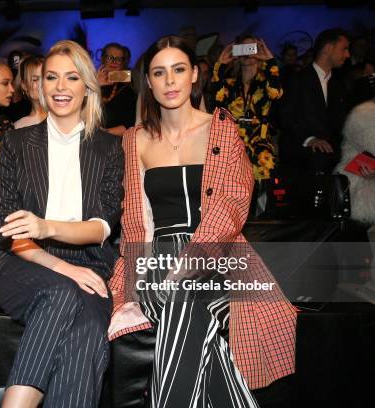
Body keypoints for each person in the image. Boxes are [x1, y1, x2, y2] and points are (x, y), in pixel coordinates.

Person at [108, 35, 297, 407]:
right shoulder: (136, 140)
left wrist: (191, 262)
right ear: (148, 81)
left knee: (184, 292)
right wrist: (131, 277)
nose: (170, 81)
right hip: (156, 261)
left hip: (218, 256)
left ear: (195, 74)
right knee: (182, 297)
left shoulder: (221, 129)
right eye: (159, 73)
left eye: (179, 70)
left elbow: (230, 206)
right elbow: (134, 219)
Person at [0, 40, 124, 407]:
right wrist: (59, 264)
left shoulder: (109, 148)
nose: (61, 87)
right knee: (61, 291)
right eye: (52, 77)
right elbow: (4, 223)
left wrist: (47, 226)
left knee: (89, 332)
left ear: (87, 87)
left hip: (90, 264)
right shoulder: (16, 142)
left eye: (72, 78)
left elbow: (102, 226)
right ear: (40, 85)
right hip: (24, 260)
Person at [211, 35, 282, 182]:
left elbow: (275, 93)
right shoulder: (230, 84)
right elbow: (217, 100)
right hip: (232, 147)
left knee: (261, 198)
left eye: (252, 49)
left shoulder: (266, 84)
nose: (248, 54)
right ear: (237, 53)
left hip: (261, 148)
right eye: (243, 49)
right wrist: (220, 65)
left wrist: (269, 60)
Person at [280, 28, 351, 175]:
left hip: (333, 159)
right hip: (301, 158)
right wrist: (310, 139)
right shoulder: (296, 79)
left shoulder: (339, 85)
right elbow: (284, 117)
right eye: (344, 49)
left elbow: (341, 124)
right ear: (328, 49)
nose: (347, 54)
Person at [97, 42, 137, 136]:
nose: (114, 62)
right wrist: (95, 85)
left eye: (118, 59)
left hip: (114, 142)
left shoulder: (127, 88)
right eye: (110, 58)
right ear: (102, 58)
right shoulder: (89, 81)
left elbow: (129, 124)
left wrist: (101, 134)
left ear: (123, 62)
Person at [13, 55, 47, 128]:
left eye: (47, 78)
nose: (41, 84)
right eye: (35, 80)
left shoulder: (64, 117)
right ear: (24, 85)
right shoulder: (18, 126)